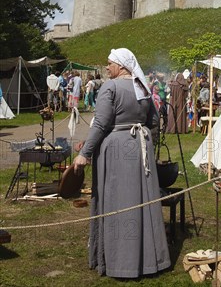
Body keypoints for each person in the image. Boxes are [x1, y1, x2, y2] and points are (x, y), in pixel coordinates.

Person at [73, 48, 171, 279]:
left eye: (110, 64)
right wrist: (146, 144)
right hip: (140, 147)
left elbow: (101, 124)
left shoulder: (112, 87)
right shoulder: (143, 88)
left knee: (119, 200)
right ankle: (149, 260)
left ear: (121, 66)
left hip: (117, 150)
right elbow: (154, 122)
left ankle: (121, 263)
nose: (107, 68)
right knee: (140, 201)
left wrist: (84, 153)